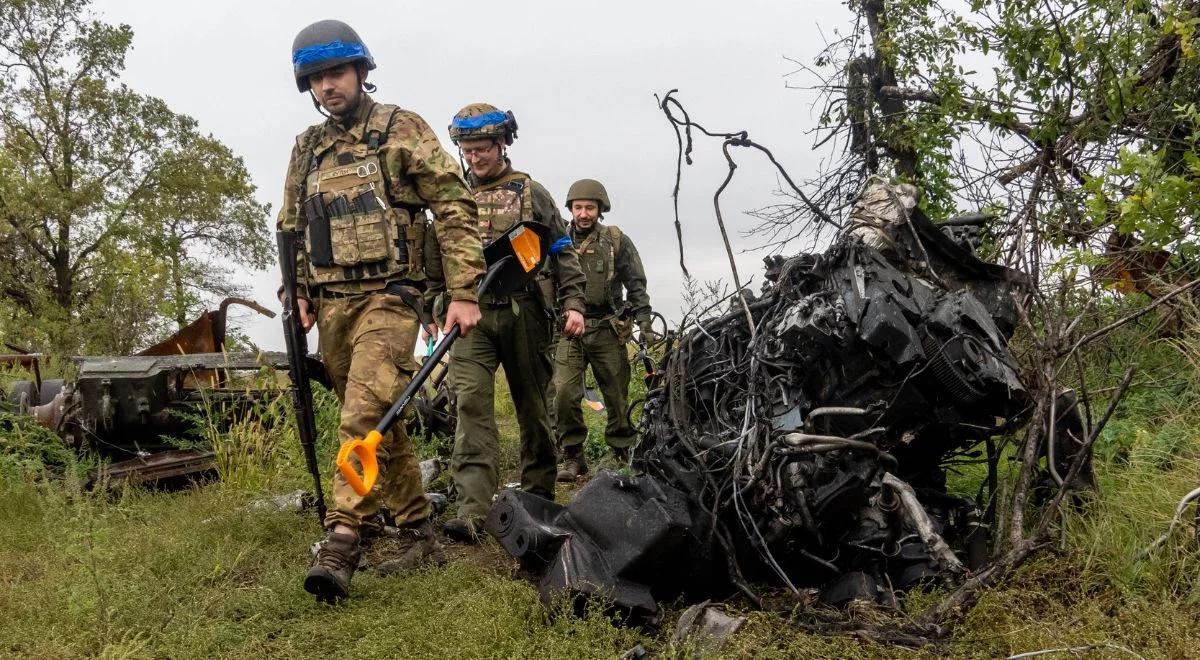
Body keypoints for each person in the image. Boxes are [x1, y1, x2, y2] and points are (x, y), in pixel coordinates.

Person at [278, 19, 485, 602]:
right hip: (332, 304)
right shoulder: (307, 147)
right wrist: (296, 291)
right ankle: (420, 532)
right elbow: (290, 226)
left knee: (362, 416)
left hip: (392, 298)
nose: (327, 87)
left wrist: (465, 290)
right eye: (316, 78)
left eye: (336, 73)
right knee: (380, 425)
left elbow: (452, 202)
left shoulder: (401, 129)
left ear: (361, 72)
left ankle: (342, 539)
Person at [440, 103, 587, 542]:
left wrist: (574, 303)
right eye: (467, 149)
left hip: (525, 312)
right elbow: (436, 255)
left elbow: (562, 249)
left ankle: (537, 493)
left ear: (502, 143)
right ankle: (472, 509)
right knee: (471, 405)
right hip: (471, 317)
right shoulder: (451, 196)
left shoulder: (530, 191)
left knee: (533, 408)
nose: (474, 157)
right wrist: (434, 309)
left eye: (482, 148)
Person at [554, 179, 654, 481]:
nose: (584, 213)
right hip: (568, 328)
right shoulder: (557, 239)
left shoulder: (615, 240)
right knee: (563, 393)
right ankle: (572, 456)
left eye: (590, 207)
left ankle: (621, 451)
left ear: (600, 209)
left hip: (607, 327)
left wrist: (645, 323)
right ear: (570, 208)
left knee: (616, 394)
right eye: (579, 207)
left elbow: (636, 283)